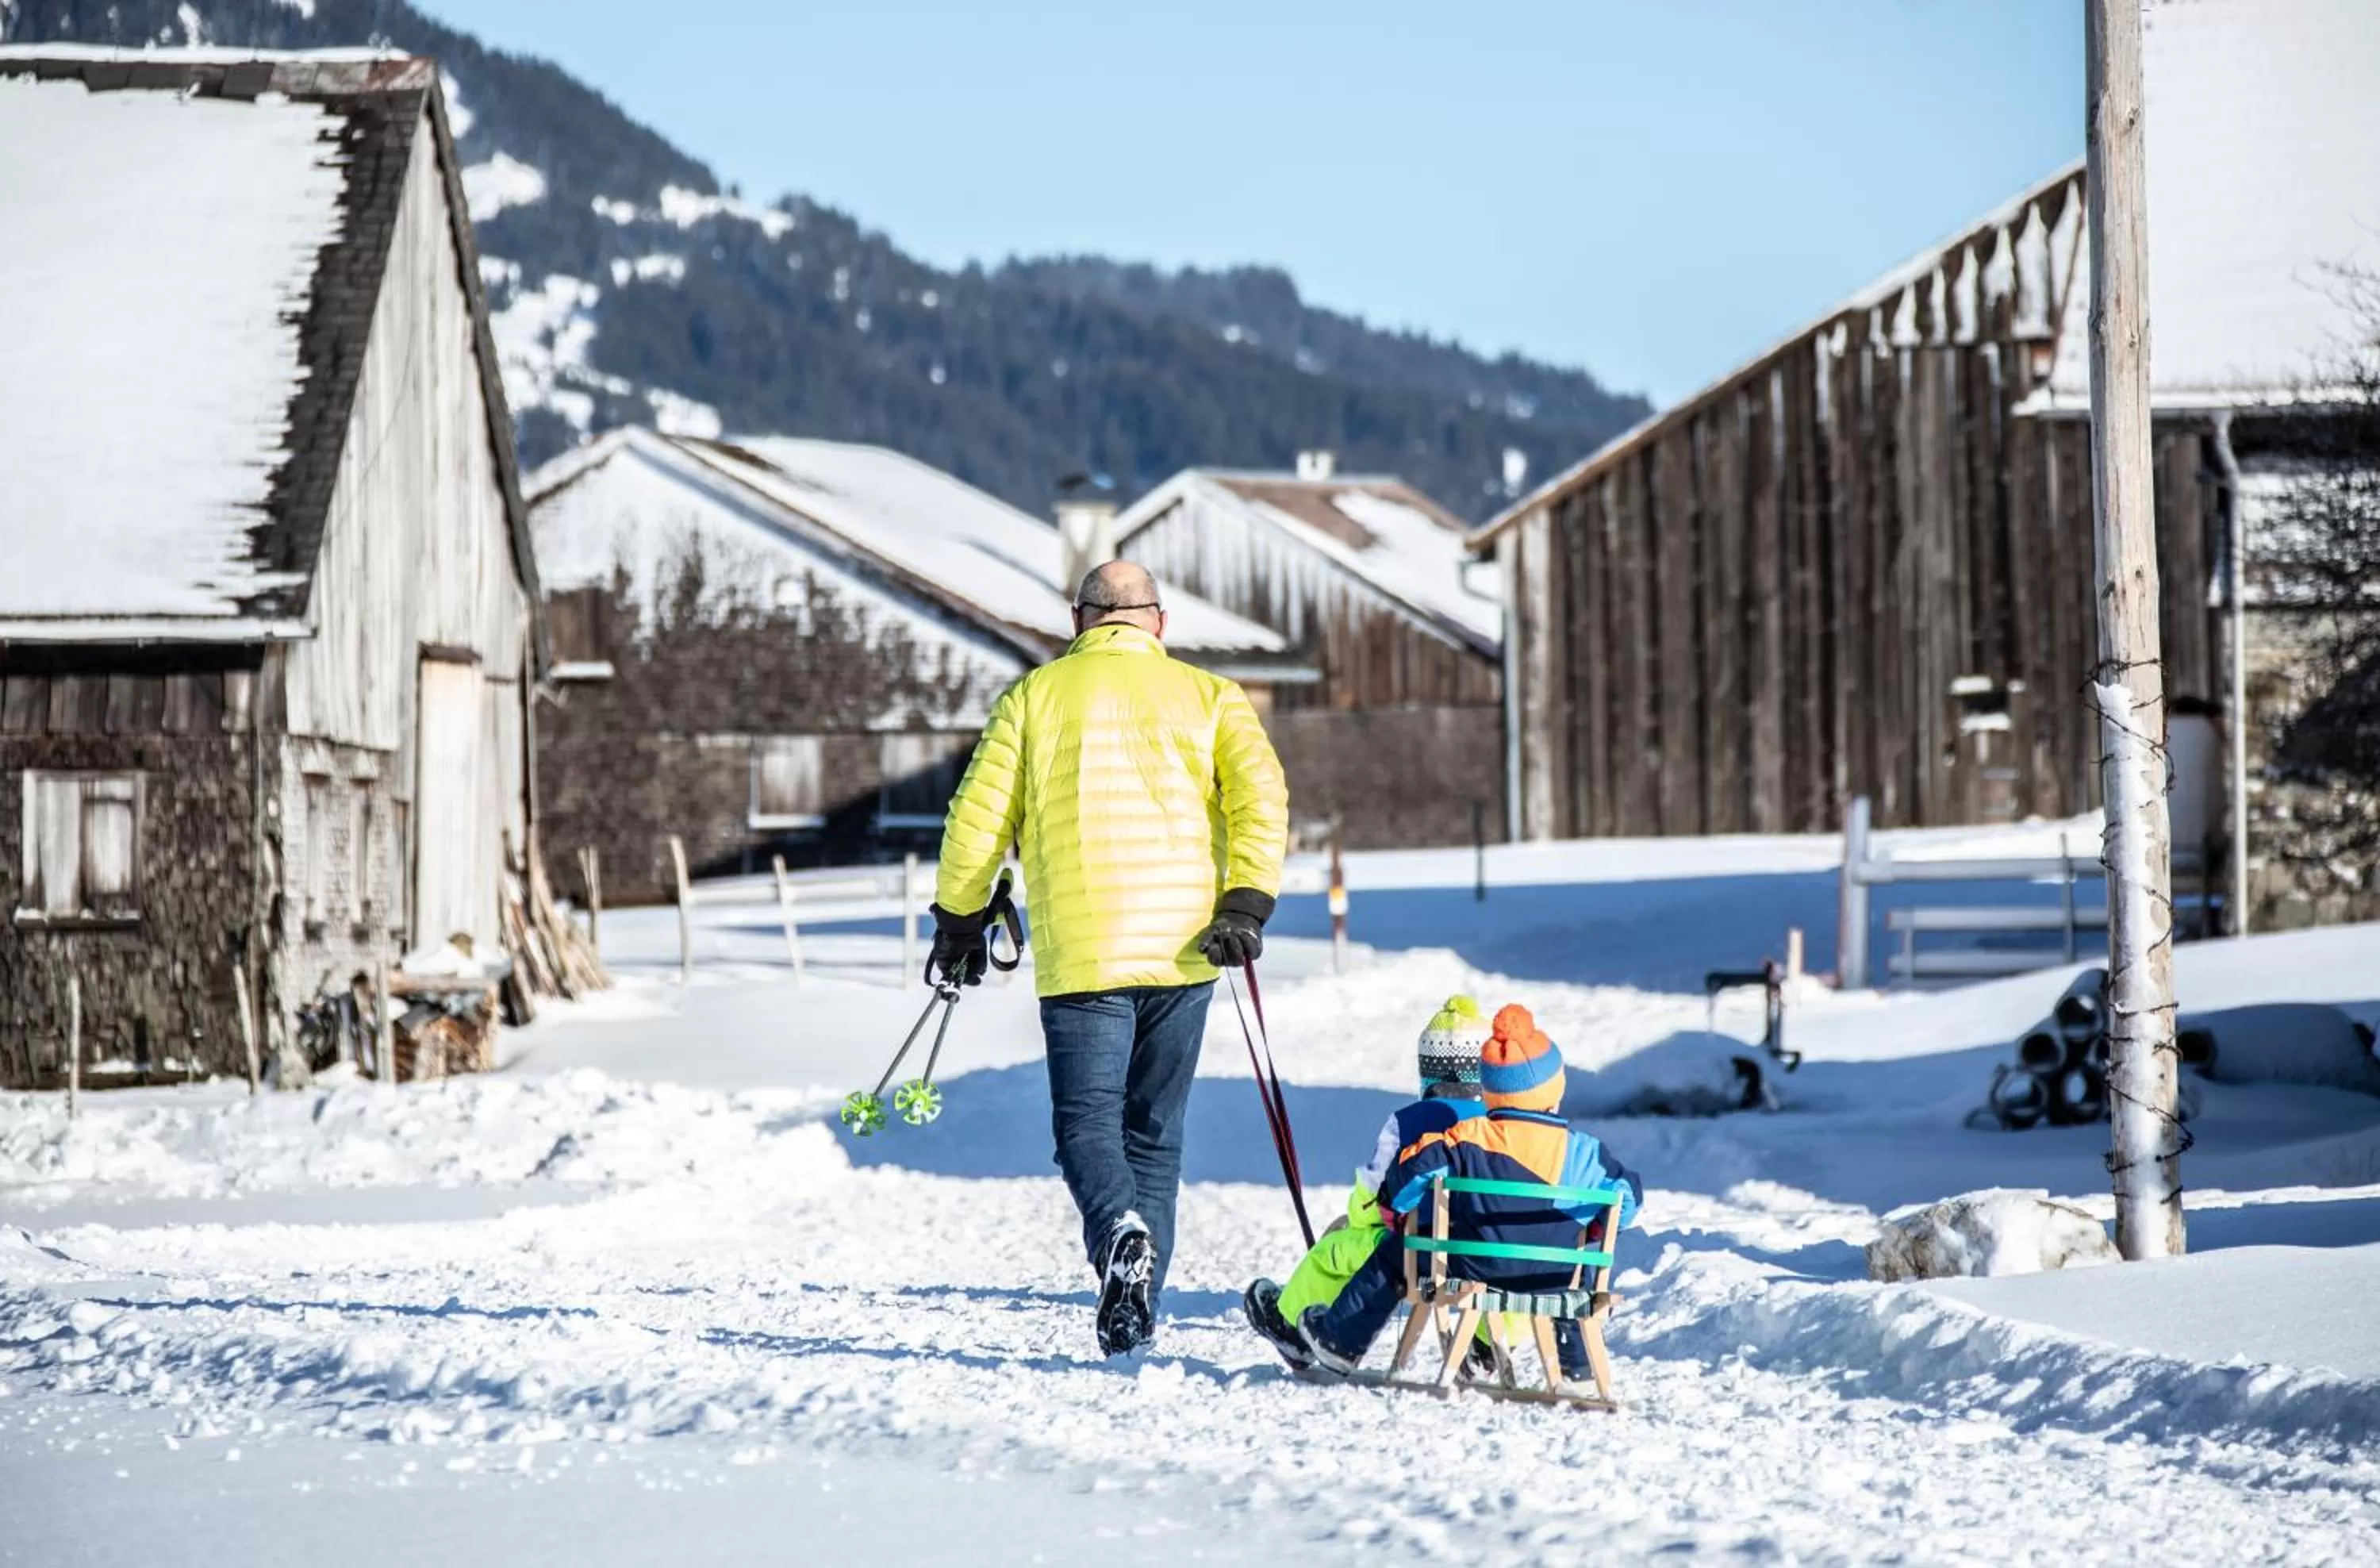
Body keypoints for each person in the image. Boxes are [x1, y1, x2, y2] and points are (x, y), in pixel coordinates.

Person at [931, 559, 1290, 1357]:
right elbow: (1260, 797)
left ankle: (1119, 1236)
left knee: (1085, 1122)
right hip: (1187, 948)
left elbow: (975, 820)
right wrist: (1245, 902)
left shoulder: (1032, 698)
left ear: (1079, 618)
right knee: (1155, 1131)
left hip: (1086, 950)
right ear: (1157, 621)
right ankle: (1138, 1302)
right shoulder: (1211, 697)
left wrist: (960, 918)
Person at [1294, 1003, 1643, 1383]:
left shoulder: (1469, 1137)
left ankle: (1339, 1340)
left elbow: (1411, 1175)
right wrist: (1592, 1229)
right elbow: (1626, 1200)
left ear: (1490, 1094)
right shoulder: (1585, 1151)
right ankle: (1576, 1364)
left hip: (1472, 1268)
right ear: (1554, 1095)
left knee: (1399, 1252)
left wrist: (1397, 1209)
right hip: (1552, 1275)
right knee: (1577, 1264)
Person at [1242, 996, 1491, 1369]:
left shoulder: (1408, 1122)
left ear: (1428, 1070)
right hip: (1490, 1258)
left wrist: (1356, 1221)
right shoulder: (1499, 1125)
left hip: (1414, 1255)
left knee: (1334, 1250)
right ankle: (1485, 1342)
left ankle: (1291, 1325)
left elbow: (1373, 1195)